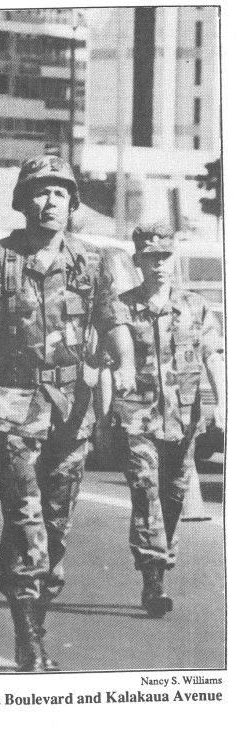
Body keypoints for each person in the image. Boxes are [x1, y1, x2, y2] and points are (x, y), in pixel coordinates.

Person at [0, 155, 134, 671]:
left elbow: (113, 320)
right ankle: (27, 633)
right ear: (22, 200)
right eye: (39, 192)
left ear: (73, 203)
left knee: (56, 523)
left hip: (72, 407)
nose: (49, 201)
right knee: (25, 515)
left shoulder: (93, 261)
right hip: (13, 403)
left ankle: (37, 611)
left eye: (59, 193)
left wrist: (127, 367)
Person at [114, 224, 225, 617]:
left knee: (174, 494)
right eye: (150, 256)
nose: (158, 263)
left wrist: (223, 404)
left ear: (172, 258)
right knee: (146, 489)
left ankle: (161, 555)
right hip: (138, 415)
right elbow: (120, 352)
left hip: (184, 415)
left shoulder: (194, 305)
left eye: (164, 256)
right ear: (137, 260)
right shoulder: (122, 305)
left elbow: (213, 354)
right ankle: (153, 578)